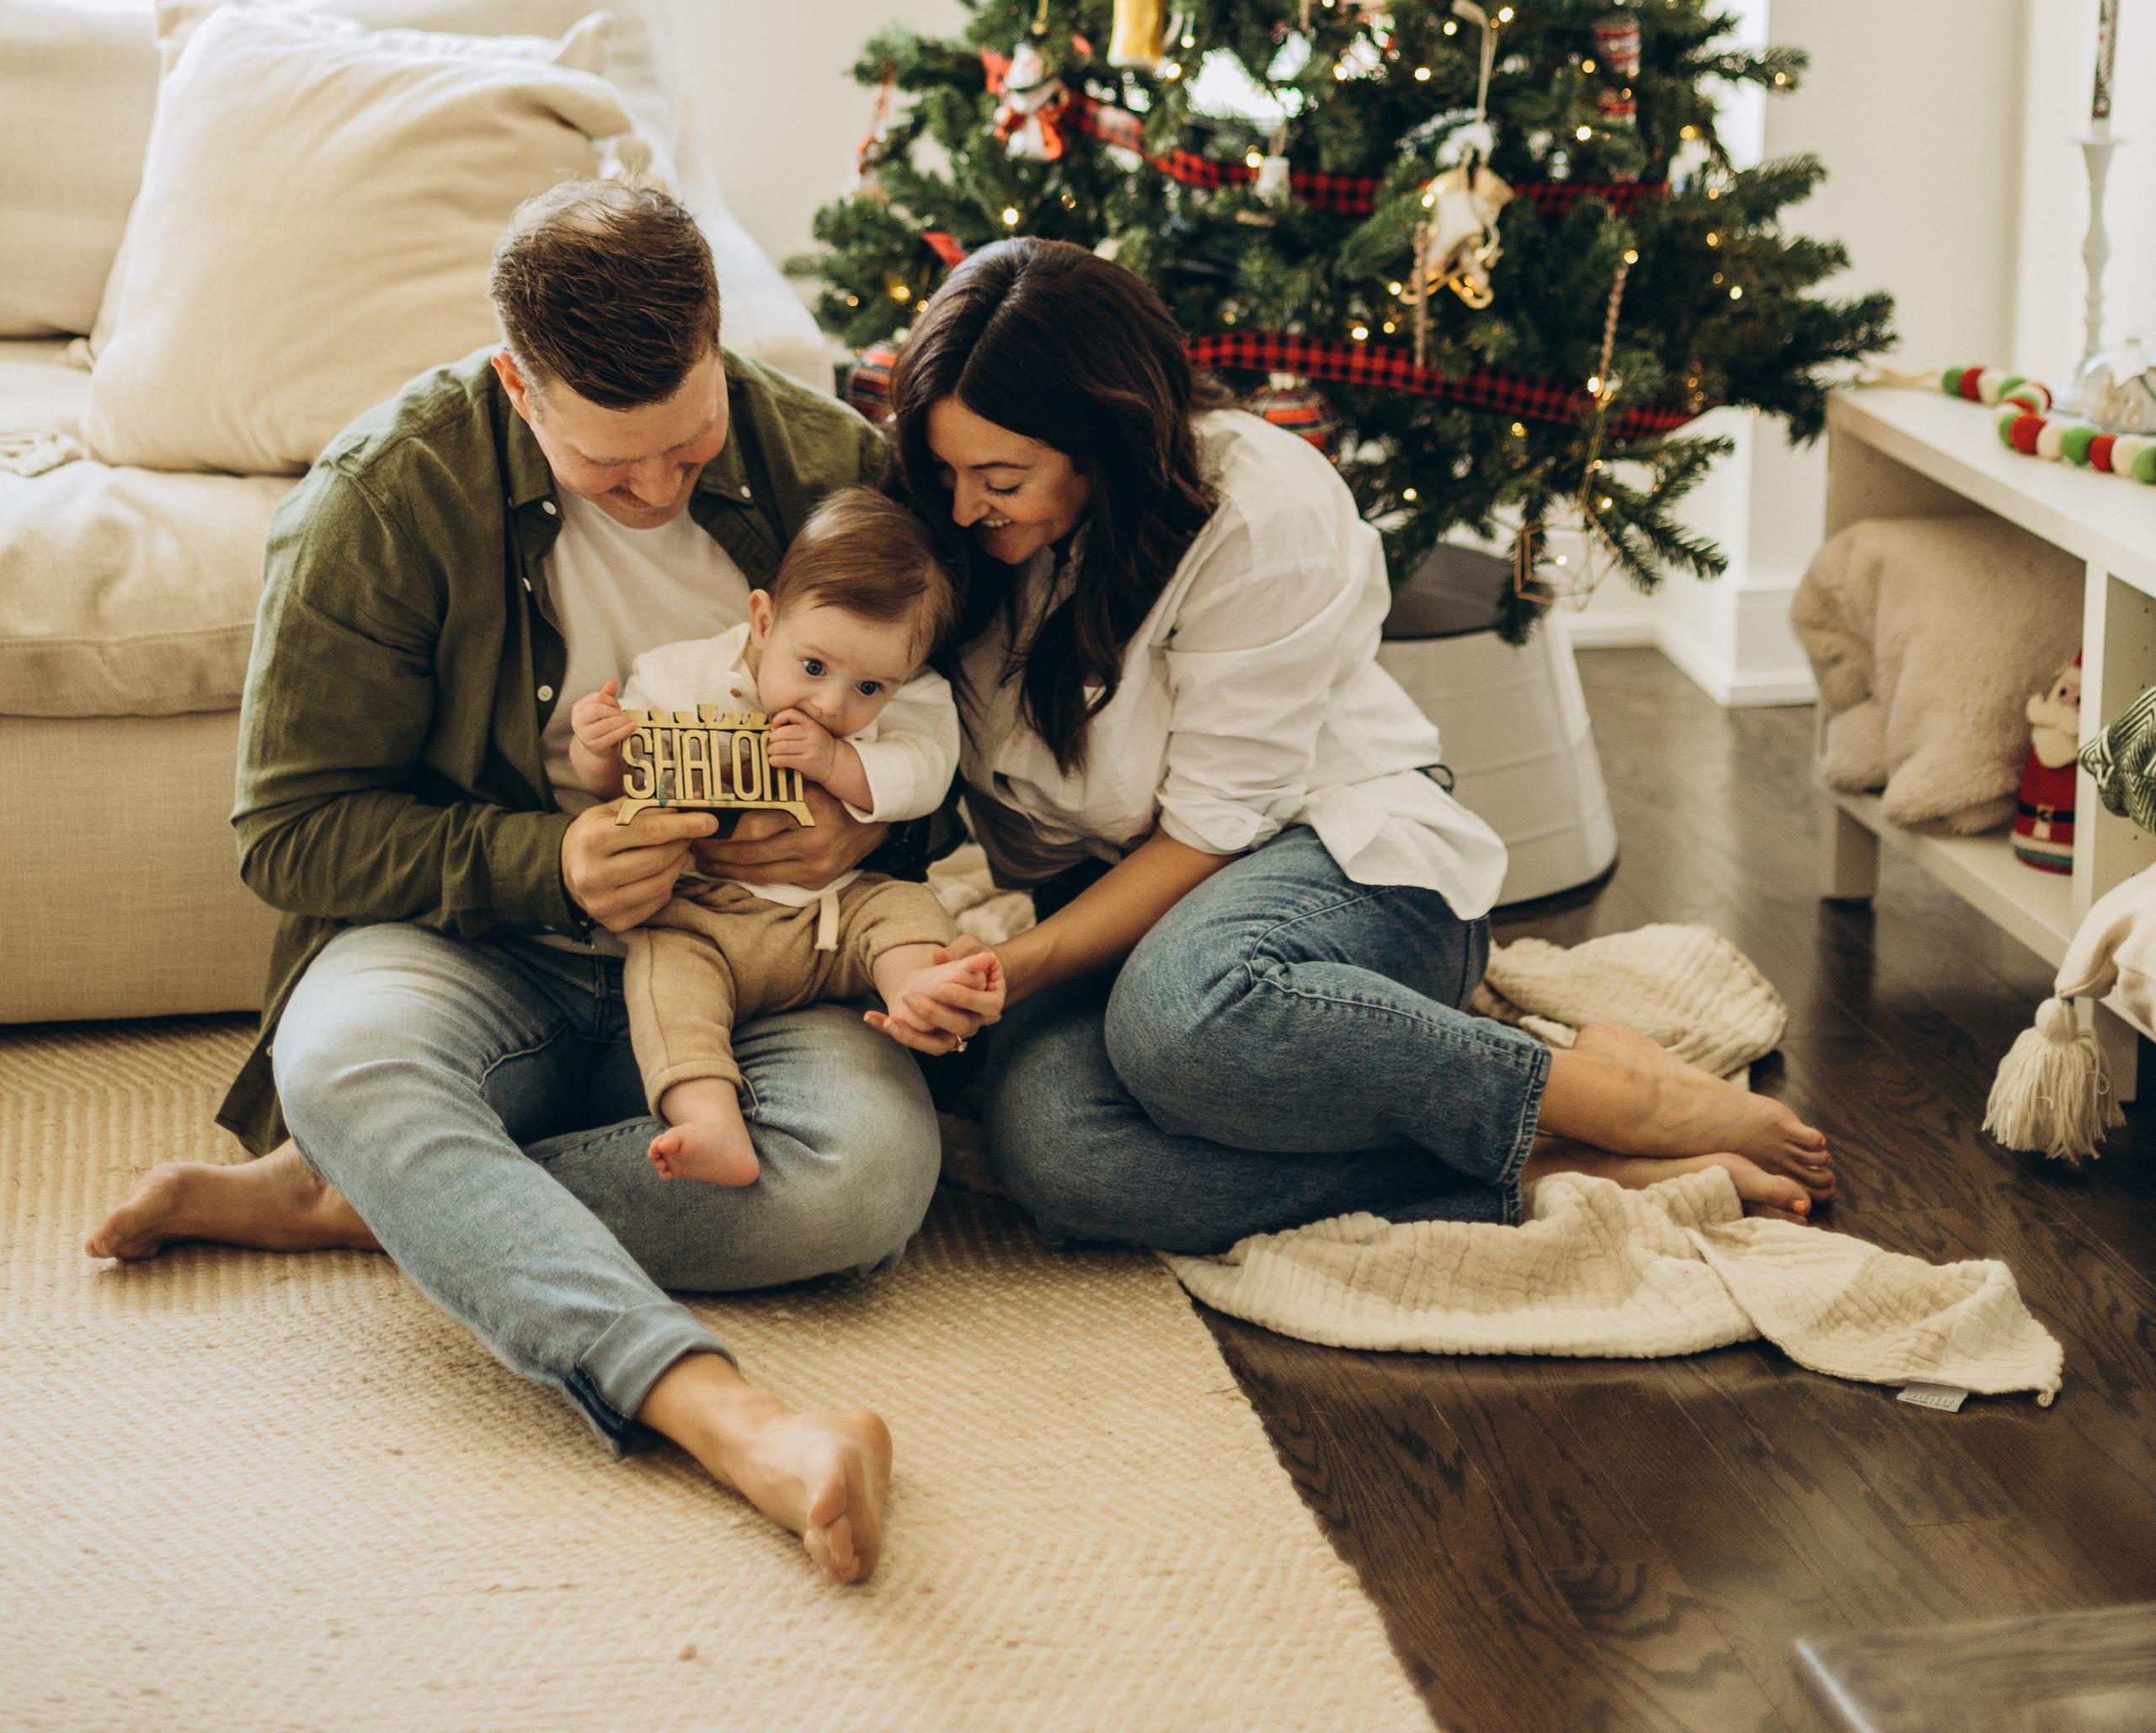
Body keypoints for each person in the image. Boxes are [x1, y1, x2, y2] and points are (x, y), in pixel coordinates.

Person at [86, 182, 978, 1585]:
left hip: (758, 952)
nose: (660, 490)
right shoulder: (385, 496)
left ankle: (369, 1197)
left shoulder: (830, 471)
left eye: (688, 445)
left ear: (715, 343)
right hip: (484, 945)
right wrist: (546, 859)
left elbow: (952, 748)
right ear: (518, 383)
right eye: (612, 469)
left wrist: (859, 840)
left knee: (863, 1185)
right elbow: (290, 830)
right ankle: (730, 1420)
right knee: (352, 1061)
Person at [883, 239, 1837, 1242]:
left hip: (1340, 865)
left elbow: (1211, 830)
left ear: (1107, 441)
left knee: (1179, 1020)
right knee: (1061, 1154)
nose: (960, 505)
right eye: (944, 469)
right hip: (1117, 903)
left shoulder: (1256, 507)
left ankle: (1614, 1104)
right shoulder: (962, 530)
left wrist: (1015, 967)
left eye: (999, 475)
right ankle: (1552, 1149)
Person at [568, 486, 1003, 1186]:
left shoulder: (915, 697)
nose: (833, 703)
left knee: (907, 912)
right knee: (661, 982)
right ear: (763, 619)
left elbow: (926, 775)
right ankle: (710, 1120)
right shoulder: (678, 675)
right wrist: (598, 749)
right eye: (813, 669)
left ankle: (919, 996)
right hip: (704, 918)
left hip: (835, 916)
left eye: (870, 689)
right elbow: (624, 785)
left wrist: (838, 763)